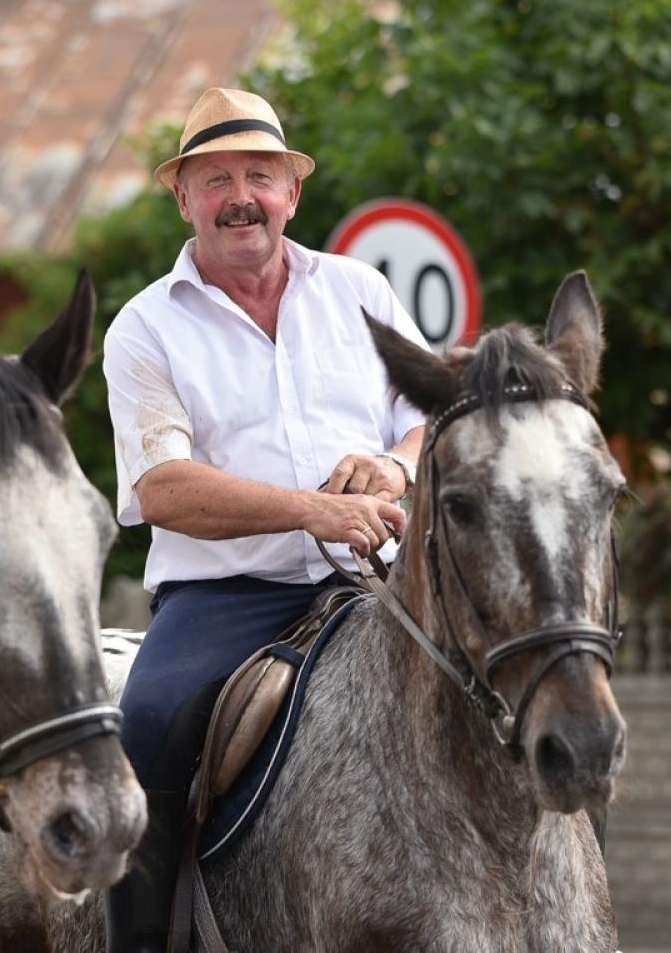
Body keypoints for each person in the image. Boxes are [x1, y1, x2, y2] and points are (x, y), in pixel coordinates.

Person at [102, 87, 429, 951]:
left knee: (521, 694)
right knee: (146, 724)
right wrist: (314, 509)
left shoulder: (361, 290)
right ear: (183, 199)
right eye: (215, 179)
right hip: (225, 600)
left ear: (292, 191)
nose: (239, 197)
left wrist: (396, 466)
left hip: (380, 583)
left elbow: (432, 418)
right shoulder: (143, 328)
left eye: (259, 175)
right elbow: (162, 488)